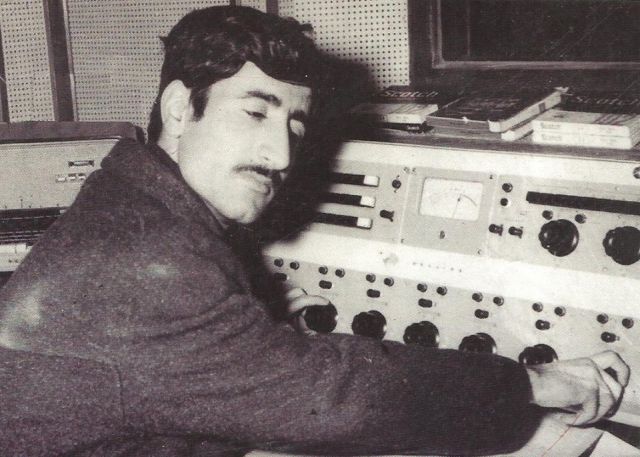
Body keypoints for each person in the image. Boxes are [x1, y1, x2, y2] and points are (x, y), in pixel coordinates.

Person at [0, 5, 630, 457]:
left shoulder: (132, 201)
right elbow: (341, 400)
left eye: (295, 128)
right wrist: (532, 382)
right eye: (255, 113)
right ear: (179, 108)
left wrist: (258, 338)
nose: (280, 155)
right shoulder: (149, 263)